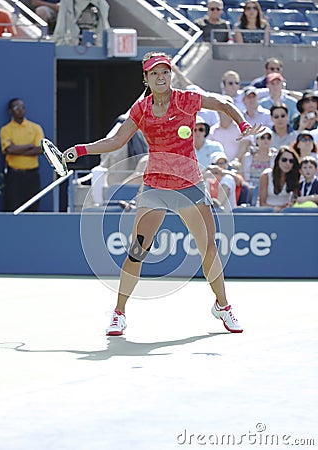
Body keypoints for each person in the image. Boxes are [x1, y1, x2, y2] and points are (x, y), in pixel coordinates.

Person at [63, 51, 263, 336]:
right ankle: (118, 313)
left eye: (165, 72)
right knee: (137, 251)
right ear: (145, 78)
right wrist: (81, 150)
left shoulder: (187, 99)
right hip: (156, 186)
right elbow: (116, 140)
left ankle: (223, 306)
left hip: (190, 184)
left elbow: (223, 102)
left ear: (170, 75)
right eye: (154, 73)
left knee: (209, 249)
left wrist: (243, 125)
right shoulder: (141, 109)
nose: (161, 77)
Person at [0, 98, 44, 212]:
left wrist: (17, 149)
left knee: (32, 208)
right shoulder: (6, 129)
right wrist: (29, 146)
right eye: (16, 107)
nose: (20, 110)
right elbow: (9, 149)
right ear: (10, 111)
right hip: (14, 175)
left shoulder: (35, 128)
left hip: (32, 175)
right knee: (13, 207)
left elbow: (40, 149)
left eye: (22, 107)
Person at [259, 145, 300, 212]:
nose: (287, 163)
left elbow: (295, 200)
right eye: (284, 160)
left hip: (286, 213)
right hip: (267, 212)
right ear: (278, 161)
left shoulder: (295, 176)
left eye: (291, 161)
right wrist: (277, 209)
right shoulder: (266, 175)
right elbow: (262, 203)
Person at [208, 96, 241, 162]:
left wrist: (235, 161)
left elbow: (245, 145)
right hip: (218, 168)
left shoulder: (240, 129)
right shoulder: (212, 131)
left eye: (230, 107)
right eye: (224, 107)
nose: (227, 110)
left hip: (236, 168)